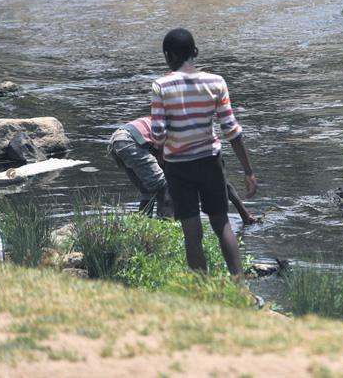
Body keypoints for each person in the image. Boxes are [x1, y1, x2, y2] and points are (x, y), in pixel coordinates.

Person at [150, 28, 258, 278]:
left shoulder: (161, 86)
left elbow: (157, 134)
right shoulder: (216, 82)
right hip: (210, 162)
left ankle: (202, 291)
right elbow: (232, 130)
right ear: (195, 52)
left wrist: (165, 144)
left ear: (168, 56)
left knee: (192, 232)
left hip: (179, 167)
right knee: (222, 225)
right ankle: (240, 287)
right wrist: (249, 171)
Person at [108, 115, 258, 224]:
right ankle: (164, 231)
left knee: (149, 190)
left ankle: (142, 230)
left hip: (120, 140)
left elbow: (223, 183)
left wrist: (245, 215)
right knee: (163, 187)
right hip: (131, 141)